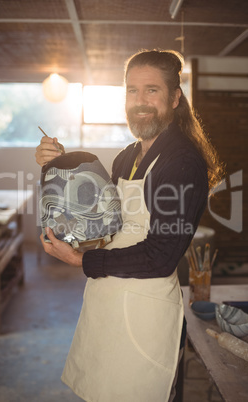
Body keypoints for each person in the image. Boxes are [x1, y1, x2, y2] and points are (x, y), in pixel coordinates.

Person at [35, 49, 223, 402]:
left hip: (143, 314)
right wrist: (56, 165)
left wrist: (81, 261)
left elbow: (161, 256)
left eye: (151, 90)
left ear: (175, 98)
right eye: (132, 91)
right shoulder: (127, 156)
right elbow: (98, 218)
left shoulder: (182, 163)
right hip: (108, 304)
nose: (140, 101)